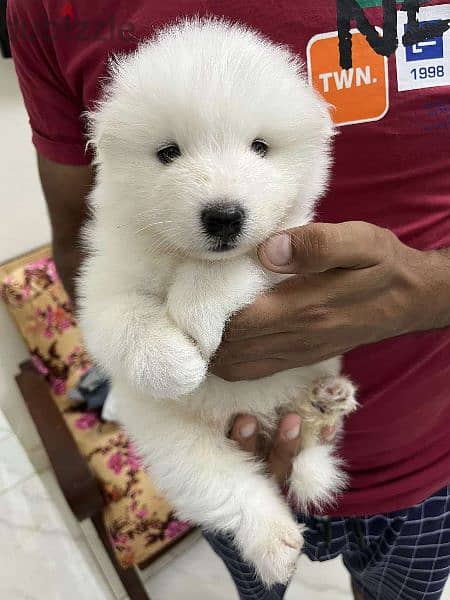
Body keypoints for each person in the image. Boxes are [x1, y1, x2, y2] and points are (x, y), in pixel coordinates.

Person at [6, 1, 450, 598]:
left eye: (259, 146)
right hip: (212, 435)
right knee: (252, 557)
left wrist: (425, 291)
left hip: (426, 458)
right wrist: (147, 347)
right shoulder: (46, 12)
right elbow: (95, 282)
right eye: (169, 154)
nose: (220, 195)